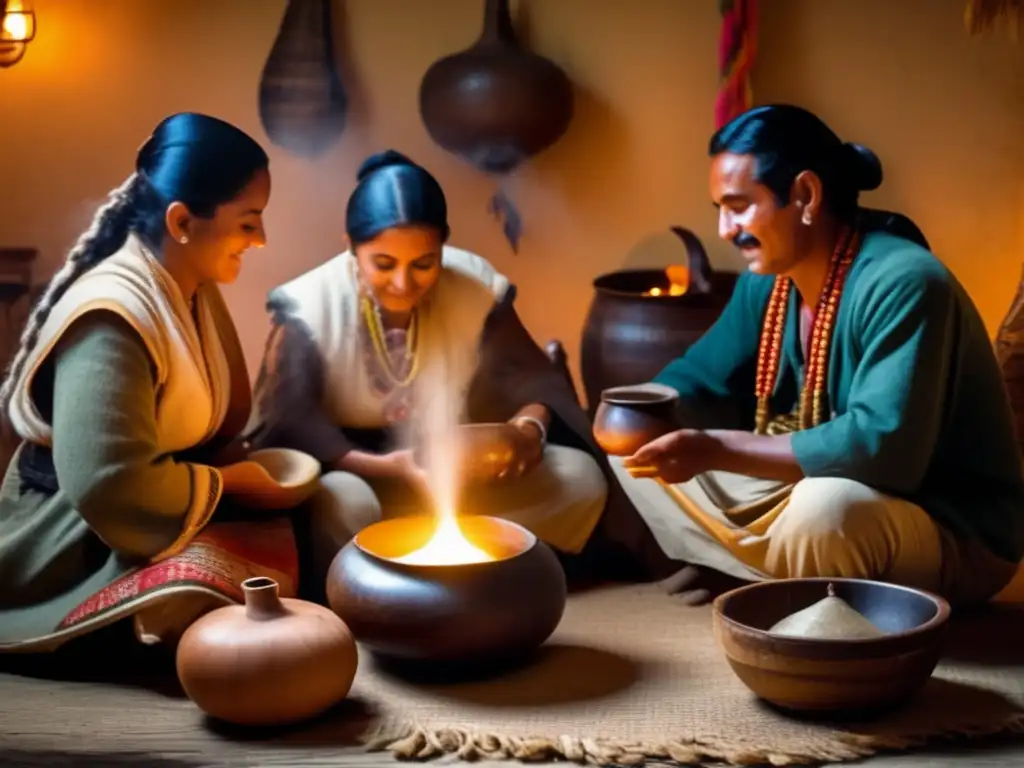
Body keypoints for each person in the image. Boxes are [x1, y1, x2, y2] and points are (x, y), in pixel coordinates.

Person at [612, 104, 1024, 608]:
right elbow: (696, 380)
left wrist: (716, 447)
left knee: (826, 509)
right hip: (818, 492)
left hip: (940, 525)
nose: (724, 229)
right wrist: (639, 411)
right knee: (635, 459)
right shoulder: (764, 285)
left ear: (805, 195)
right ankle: (774, 575)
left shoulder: (904, 281)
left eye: (739, 206)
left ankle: (775, 576)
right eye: (719, 207)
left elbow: (882, 450)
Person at [247, 149, 663, 588]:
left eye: (424, 264)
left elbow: (534, 380)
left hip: (457, 472)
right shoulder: (309, 305)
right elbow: (291, 422)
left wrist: (526, 431)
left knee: (578, 479)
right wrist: (390, 466)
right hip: (356, 469)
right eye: (383, 264)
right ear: (351, 248)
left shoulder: (474, 286)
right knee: (345, 503)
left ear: (442, 247)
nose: (404, 284)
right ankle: (387, 584)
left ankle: (486, 567)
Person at [0, 113, 298, 653]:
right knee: (202, 603)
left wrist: (243, 469)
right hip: (85, 533)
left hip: (178, 499)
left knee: (341, 505)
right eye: (249, 222)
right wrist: (228, 485)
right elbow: (110, 487)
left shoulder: (192, 284)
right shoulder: (111, 315)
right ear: (182, 221)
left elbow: (226, 418)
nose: (260, 240)